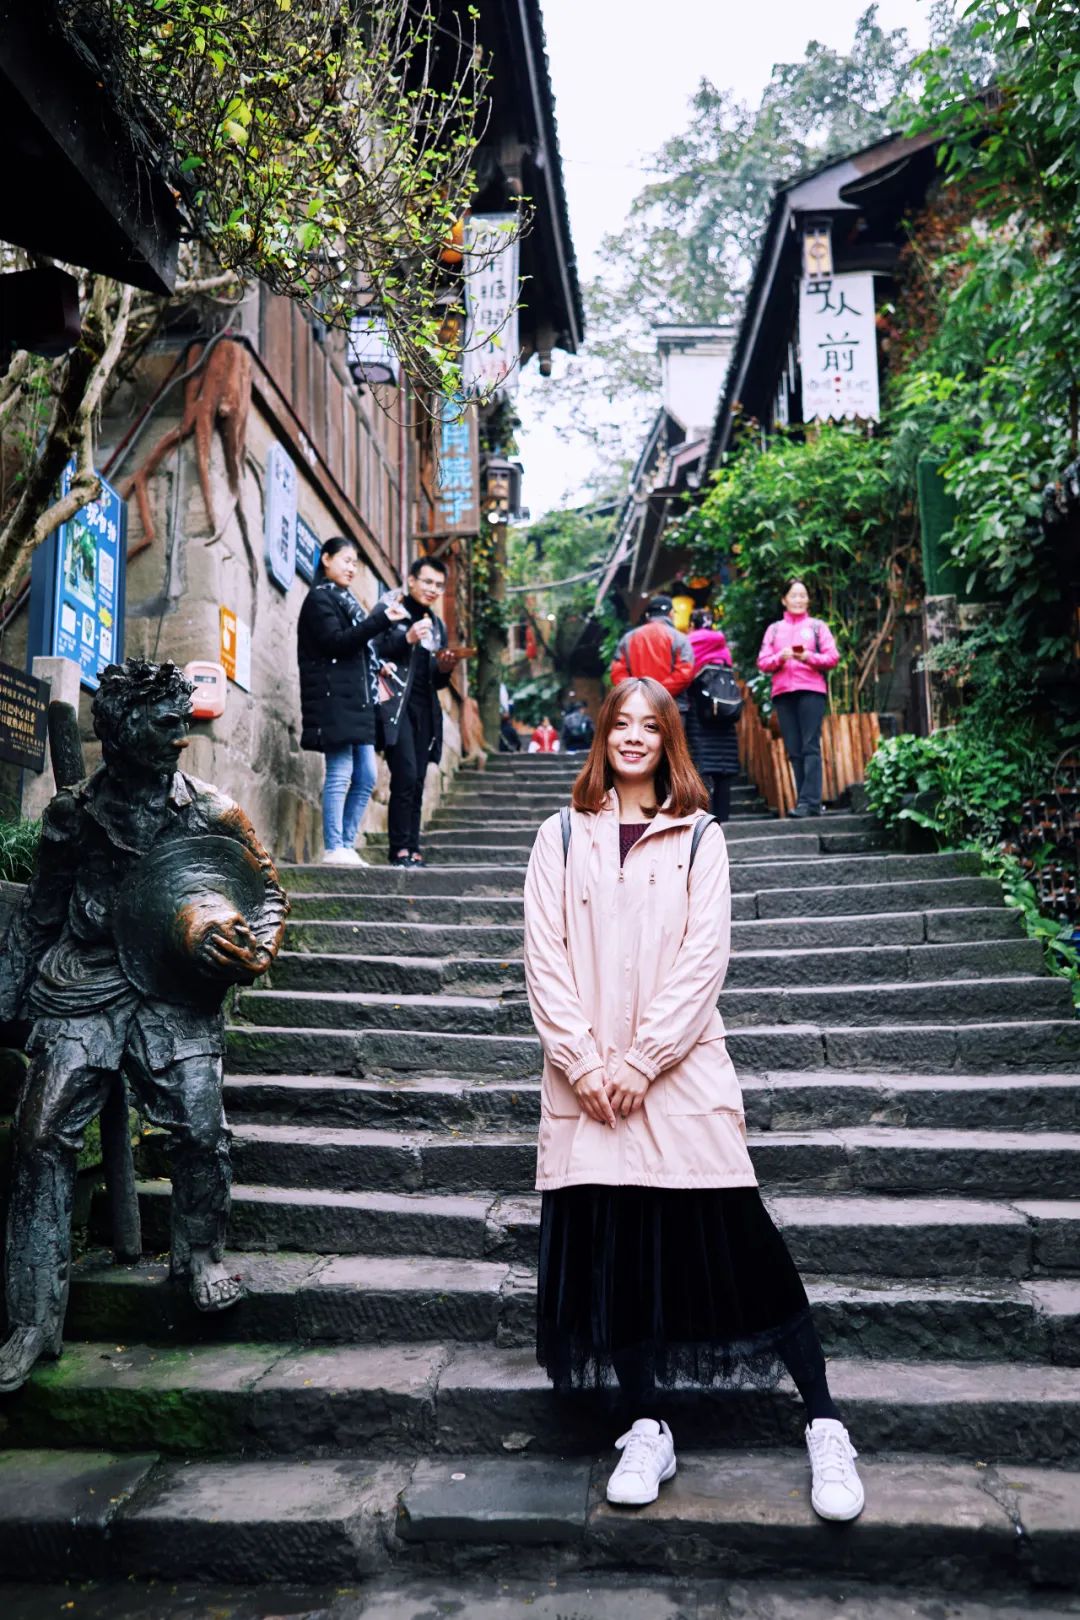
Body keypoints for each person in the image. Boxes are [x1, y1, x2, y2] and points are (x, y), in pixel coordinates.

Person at [523, 676, 864, 1522]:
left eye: (651, 725)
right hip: (589, 1088)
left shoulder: (701, 836)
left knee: (745, 1246)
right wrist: (584, 1062)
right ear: (603, 735)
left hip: (677, 1078)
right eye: (622, 723)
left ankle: (825, 1422)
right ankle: (647, 1425)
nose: (634, 737)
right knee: (618, 1258)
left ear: (669, 739)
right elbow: (544, 957)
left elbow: (704, 958)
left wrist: (643, 1060)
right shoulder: (560, 835)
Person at [0, 659, 287, 1392]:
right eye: (166, 724)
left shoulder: (212, 812)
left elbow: (266, 894)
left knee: (200, 1126)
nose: (182, 737)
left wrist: (256, 951)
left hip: (172, 989)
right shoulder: (72, 815)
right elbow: (41, 910)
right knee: (38, 1134)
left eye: (183, 722)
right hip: (86, 981)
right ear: (123, 729)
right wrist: (12, 1000)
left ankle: (201, 1256)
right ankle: (31, 1317)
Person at [297, 535, 406, 866]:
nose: (352, 568)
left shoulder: (346, 601)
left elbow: (357, 647)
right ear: (326, 559)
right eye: (346, 560)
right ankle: (334, 846)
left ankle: (346, 843)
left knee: (367, 776)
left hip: (358, 701)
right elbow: (336, 642)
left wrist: (378, 664)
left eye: (355, 563)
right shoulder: (319, 599)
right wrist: (380, 619)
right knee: (341, 771)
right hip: (334, 700)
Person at [373, 554, 460, 867]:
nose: (433, 589)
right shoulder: (392, 608)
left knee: (419, 778)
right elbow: (373, 649)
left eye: (439, 585)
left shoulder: (437, 624)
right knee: (406, 774)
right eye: (427, 582)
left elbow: (435, 679)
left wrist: (446, 668)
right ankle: (399, 848)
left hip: (426, 710)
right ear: (411, 580)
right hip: (397, 706)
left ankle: (412, 846)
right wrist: (407, 638)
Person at [757, 579, 840, 819]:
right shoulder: (774, 629)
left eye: (803, 595)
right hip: (783, 693)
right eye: (793, 595)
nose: (798, 600)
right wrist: (780, 658)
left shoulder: (817, 626)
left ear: (808, 600)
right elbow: (763, 662)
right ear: (784, 600)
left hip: (811, 691)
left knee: (810, 745)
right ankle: (806, 802)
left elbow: (832, 657)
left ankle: (809, 802)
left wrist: (808, 657)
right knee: (794, 749)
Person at [685, 607, 739, 823]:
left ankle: (707, 822)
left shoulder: (688, 643)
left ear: (692, 625)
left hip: (700, 714)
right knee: (724, 768)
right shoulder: (722, 646)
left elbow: (686, 674)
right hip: (724, 713)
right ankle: (724, 819)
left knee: (703, 766)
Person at [609, 595, 695, 702]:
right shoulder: (680, 638)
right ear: (671, 613)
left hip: (638, 704)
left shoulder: (628, 638)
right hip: (671, 705)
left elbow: (617, 672)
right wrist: (658, 693)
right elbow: (684, 673)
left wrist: (638, 693)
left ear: (647, 615)